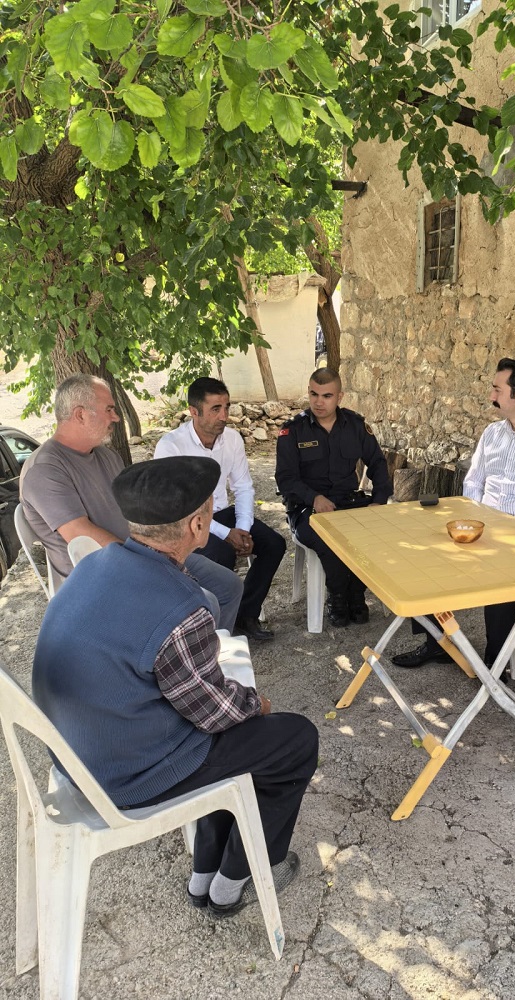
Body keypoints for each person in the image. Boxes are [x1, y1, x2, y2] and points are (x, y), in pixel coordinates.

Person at [32, 455, 319, 917]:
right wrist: (257, 703)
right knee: (294, 738)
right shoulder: (180, 605)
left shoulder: (94, 563)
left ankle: (205, 872)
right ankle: (234, 884)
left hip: (78, 755)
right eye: (210, 508)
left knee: (233, 741)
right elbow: (214, 712)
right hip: (123, 776)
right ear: (197, 525)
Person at [392, 358, 515, 670]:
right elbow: (474, 481)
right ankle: (438, 642)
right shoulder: (493, 433)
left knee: (503, 573)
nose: (491, 396)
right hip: (481, 524)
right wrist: (475, 518)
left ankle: (497, 662)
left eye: (497, 389)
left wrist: (508, 526)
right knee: (425, 559)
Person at [19, 373, 242, 631]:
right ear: (80, 414)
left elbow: (137, 512)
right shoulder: (45, 469)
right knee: (205, 602)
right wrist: (154, 565)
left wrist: (170, 541)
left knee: (229, 586)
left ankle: (207, 653)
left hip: (145, 553)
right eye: (109, 409)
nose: (116, 417)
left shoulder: (106, 455)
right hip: (104, 577)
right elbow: (84, 538)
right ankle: (187, 660)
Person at [154, 377, 286, 642]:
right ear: (194, 411)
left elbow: (244, 487)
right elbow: (182, 507)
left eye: (226, 407)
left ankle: (245, 615)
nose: (223, 416)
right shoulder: (171, 446)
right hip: (187, 523)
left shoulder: (232, 439)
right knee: (221, 553)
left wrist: (243, 529)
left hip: (222, 512)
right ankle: (210, 628)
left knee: (275, 544)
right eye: (215, 409)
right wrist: (227, 535)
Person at [275, 367, 392, 627]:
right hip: (307, 508)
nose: (319, 401)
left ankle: (357, 592)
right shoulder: (293, 431)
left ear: (339, 397)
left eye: (326, 395)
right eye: (314, 394)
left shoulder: (356, 425)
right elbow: (285, 479)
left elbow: (378, 464)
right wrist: (314, 497)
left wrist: (378, 501)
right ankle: (339, 595)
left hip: (349, 501)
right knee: (329, 539)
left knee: (376, 532)